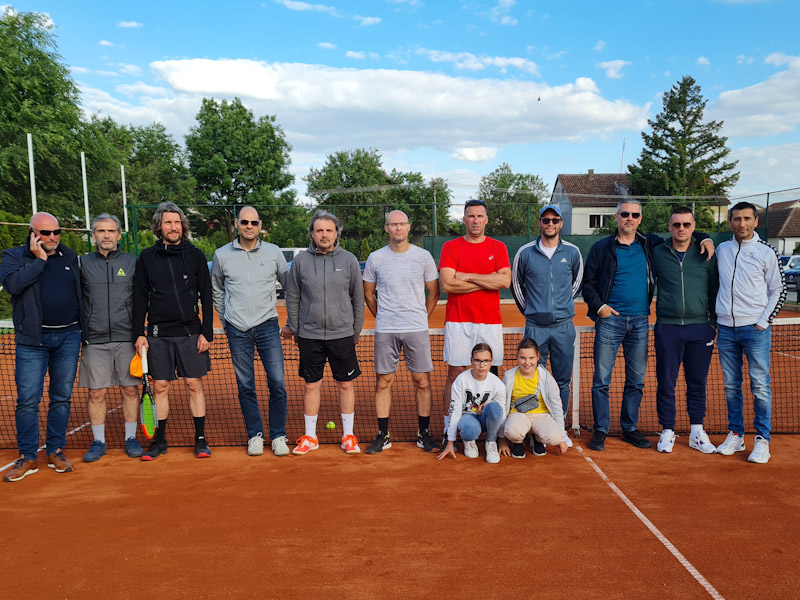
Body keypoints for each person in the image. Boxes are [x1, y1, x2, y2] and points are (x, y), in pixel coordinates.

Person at [582, 200, 713, 452]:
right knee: (601, 380)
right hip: (610, 321)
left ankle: (629, 428)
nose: (629, 218)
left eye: (634, 215)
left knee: (636, 381)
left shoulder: (650, 244)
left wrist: (704, 238)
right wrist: (601, 307)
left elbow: (682, 232)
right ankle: (601, 429)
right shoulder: (601, 248)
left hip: (641, 322)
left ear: (640, 219)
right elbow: (588, 283)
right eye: (624, 214)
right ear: (616, 217)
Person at [1, 212, 86, 482]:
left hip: (69, 338)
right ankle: (27, 457)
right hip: (32, 342)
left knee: (61, 398)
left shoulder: (70, 257)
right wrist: (39, 261)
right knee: (27, 401)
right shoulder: (14, 256)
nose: (51, 237)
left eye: (55, 232)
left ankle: (55, 451)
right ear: (32, 233)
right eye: (45, 233)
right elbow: (13, 286)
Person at [133, 202, 213, 460]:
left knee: (193, 384)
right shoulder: (147, 257)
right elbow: (139, 297)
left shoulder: (196, 255)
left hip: (190, 332)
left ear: (183, 226)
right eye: (168, 222)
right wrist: (139, 332)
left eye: (177, 222)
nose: (173, 227)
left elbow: (207, 296)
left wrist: (206, 332)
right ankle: (159, 441)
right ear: (159, 226)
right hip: (157, 334)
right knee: (161, 387)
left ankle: (200, 440)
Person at [282, 210, 365, 455]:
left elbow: (357, 299)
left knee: (346, 385)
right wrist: (297, 329)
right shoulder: (301, 261)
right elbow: (293, 296)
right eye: (319, 230)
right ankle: (310, 437)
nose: (324, 234)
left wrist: (355, 331)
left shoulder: (349, 260)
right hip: (309, 335)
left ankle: (348, 436)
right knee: (311, 386)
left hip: (342, 334)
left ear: (336, 233)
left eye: (329, 230)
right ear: (312, 233)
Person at [211, 206, 291, 457]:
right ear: (236, 224)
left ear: (260, 225)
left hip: (267, 324)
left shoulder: (274, 252)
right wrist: (227, 321)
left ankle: (278, 435)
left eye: (253, 222)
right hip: (237, 329)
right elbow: (217, 291)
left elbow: (289, 285)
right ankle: (255, 434)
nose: (249, 226)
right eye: (244, 222)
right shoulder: (222, 255)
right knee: (245, 385)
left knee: (277, 382)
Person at [362, 210, 441, 454]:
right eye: (393, 224)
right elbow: (368, 294)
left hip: (416, 328)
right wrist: (384, 317)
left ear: (408, 227)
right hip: (386, 329)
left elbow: (434, 292)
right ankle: (382, 435)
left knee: (422, 382)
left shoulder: (424, 256)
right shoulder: (375, 258)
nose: (398, 228)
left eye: (402, 224)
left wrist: (420, 317)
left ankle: (423, 434)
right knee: (383, 381)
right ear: (386, 228)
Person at [715, 201, 786, 463]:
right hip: (725, 328)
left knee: (760, 386)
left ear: (756, 221)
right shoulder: (722, 249)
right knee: (731, 386)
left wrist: (763, 321)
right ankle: (736, 434)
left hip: (754, 329)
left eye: (747, 219)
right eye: (736, 219)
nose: (741, 224)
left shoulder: (767, 252)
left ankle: (762, 440)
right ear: (730, 222)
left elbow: (779, 290)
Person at [511, 204, 582, 451]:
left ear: (561, 223)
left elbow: (576, 283)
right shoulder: (525, 252)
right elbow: (516, 286)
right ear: (539, 223)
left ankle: (556, 428)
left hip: (564, 327)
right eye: (546, 220)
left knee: (562, 381)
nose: (550, 224)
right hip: (535, 327)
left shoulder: (572, 252)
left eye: (555, 220)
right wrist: (533, 311)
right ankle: (533, 430)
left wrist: (560, 308)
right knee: (533, 380)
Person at [651, 207, 718, 454]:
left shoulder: (706, 254)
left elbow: (714, 289)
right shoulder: (657, 251)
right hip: (667, 328)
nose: (681, 229)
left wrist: (712, 324)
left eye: (687, 225)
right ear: (669, 227)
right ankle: (667, 429)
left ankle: (697, 431)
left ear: (693, 226)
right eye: (676, 224)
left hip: (700, 328)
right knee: (666, 382)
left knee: (697, 383)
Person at [79, 213, 143, 462]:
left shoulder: (133, 262)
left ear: (119, 234)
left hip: (127, 338)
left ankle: (130, 438)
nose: (106, 235)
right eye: (101, 231)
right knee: (96, 393)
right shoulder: (82, 263)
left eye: (111, 231)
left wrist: (140, 334)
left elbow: (142, 299)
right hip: (94, 340)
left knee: (129, 390)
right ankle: (98, 442)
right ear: (93, 235)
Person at [438, 199, 511, 416]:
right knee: (456, 374)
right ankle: (448, 430)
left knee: (489, 375)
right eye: (471, 216)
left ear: (486, 220)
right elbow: (447, 284)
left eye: (479, 216)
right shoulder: (450, 247)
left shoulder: (498, 247)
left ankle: (490, 429)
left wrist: (469, 276)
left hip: (490, 322)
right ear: (464, 220)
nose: (475, 220)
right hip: (458, 321)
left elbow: (505, 281)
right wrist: (488, 280)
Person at [498, 339, 568, 459]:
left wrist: (561, 437)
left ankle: (538, 438)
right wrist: (502, 440)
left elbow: (556, 405)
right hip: (518, 414)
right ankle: (518, 442)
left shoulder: (546, 377)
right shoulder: (509, 377)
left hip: (541, 416)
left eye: (531, 358)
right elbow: (502, 406)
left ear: (538, 357)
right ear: (517, 357)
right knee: (512, 431)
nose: (527, 362)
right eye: (523, 358)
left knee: (555, 437)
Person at [438, 343, 506, 463]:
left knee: (496, 407)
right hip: (467, 417)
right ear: (471, 361)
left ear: (491, 362)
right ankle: (469, 441)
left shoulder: (497, 383)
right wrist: (450, 442)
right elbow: (455, 410)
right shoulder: (461, 380)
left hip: (485, 418)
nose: (482, 365)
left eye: (486, 361)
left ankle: (491, 443)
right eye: (477, 361)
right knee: (470, 429)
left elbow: (502, 412)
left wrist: (502, 440)